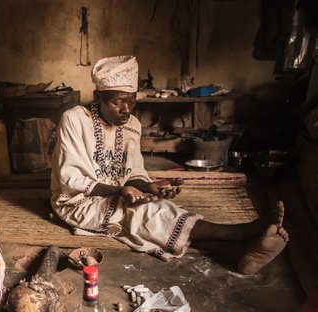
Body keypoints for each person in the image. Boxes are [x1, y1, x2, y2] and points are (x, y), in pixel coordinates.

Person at [50, 55, 289, 275]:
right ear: (98, 96)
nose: (126, 109)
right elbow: (70, 179)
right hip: (79, 201)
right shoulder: (74, 119)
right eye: (118, 102)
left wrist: (148, 186)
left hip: (119, 195)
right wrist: (120, 191)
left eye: (132, 102)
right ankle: (239, 233)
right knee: (145, 214)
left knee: (154, 210)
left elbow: (132, 172)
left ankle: (238, 254)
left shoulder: (132, 125)